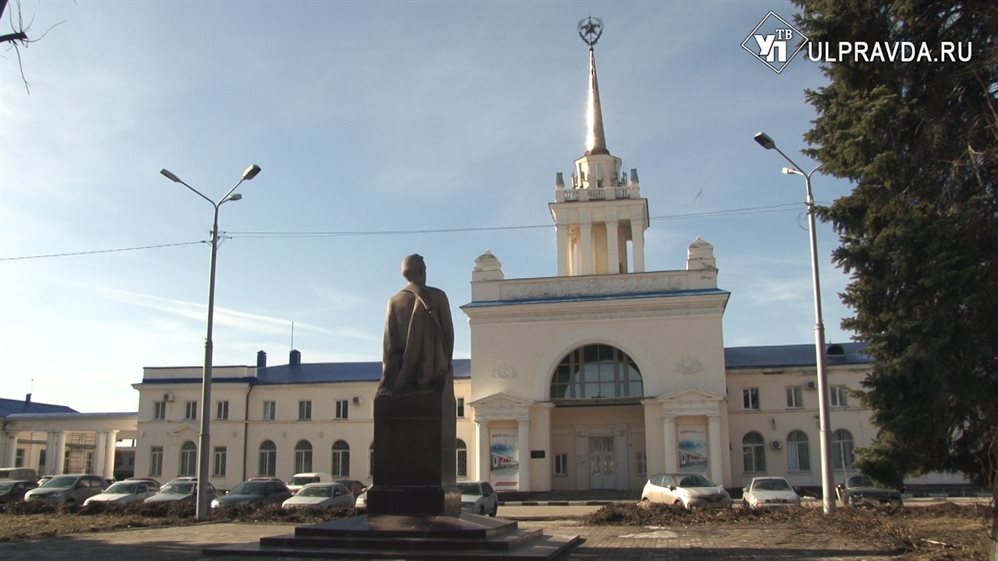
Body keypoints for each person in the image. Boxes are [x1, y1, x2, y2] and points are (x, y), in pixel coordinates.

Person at [378, 254, 454, 396]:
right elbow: (448, 336)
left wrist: (389, 379)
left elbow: (389, 345)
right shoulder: (438, 296)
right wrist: (446, 365)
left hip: (403, 378)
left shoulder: (394, 301)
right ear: (421, 271)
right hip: (433, 377)